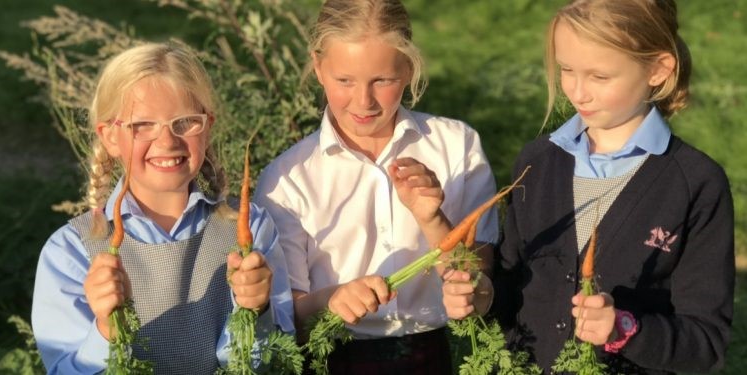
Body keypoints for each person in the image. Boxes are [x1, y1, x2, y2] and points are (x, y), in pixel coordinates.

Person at [254, 0, 498, 372]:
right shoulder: (287, 179)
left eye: (382, 80)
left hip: (433, 356)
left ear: (408, 68)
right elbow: (285, 316)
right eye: (345, 80)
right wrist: (332, 300)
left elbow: (481, 279)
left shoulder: (456, 146)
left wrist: (433, 221)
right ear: (319, 68)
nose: (363, 101)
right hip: (333, 357)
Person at [492, 0, 735, 373]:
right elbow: (510, 293)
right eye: (566, 70)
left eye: (599, 77)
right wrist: (482, 295)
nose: (577, 92)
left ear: (658, 69)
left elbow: (705, 343)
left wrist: (625, 329)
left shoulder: (696, 183)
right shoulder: (537, 164)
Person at [31, 42, 294, 374]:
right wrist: (106, 331)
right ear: (110, 137)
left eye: (185, 122)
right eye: (142, 125)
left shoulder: (251, 230)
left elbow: (277, 362)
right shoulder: (71, 251)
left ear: (208, 126)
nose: (168, 141)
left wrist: (257, 311)